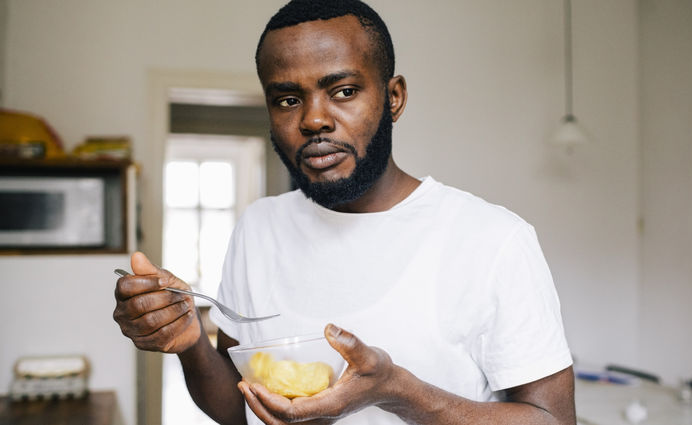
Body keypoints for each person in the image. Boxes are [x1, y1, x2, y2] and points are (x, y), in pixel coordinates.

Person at [113, 0, 576, 424]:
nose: (313, 119)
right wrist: (190, 341)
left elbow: (553, 420)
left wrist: (398, 391)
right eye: (288, 100)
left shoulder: (492, 239)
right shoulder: (259, 228)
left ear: (393, 97)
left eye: (344, 91)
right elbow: (242, 410)